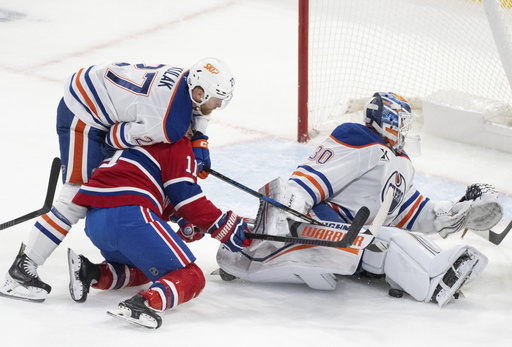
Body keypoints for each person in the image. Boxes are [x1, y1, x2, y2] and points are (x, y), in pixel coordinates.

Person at [215, 92, 503, 307]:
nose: (406, 130)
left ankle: (439, 272)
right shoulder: (358, 138)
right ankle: (436, 275)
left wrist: (456, 209)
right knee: (388, 239)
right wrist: (287, 209)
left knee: (386, 238)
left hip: (355, 238)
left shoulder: (400, 163)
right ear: (389, 121)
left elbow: (412, 212)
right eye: (403, 123)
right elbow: (311, 177)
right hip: (325, 226)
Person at [0, 57, 235, 302]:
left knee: (107, 181)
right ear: (198, 93)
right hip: (83, 115)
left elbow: (196, 110)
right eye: (217, 100)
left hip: (94, 90)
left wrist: (199, 139)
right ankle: (21, 271)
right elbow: (114, 138)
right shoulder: (167, 125)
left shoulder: (187, 78)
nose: (218, 106)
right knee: (76, 196)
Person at [66, 127, 251, 329]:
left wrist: (184, 221)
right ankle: (142, 303)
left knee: (143, 270)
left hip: (96, 222)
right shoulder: (176, 140)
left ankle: (90, 272)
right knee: (192, 276)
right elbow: (187, 199)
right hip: (131, 216)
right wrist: (224, 226)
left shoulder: (138, 137)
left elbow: (158, 190)